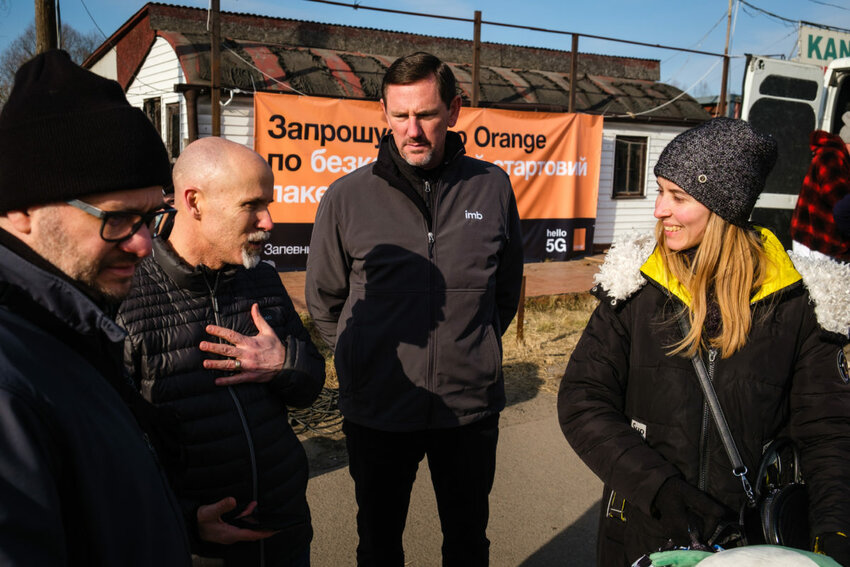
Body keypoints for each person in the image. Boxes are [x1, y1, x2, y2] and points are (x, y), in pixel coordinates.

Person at [558, 117, 850, 566]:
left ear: (724, 207)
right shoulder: (635, 287)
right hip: (642, 530)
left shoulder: (798, 303)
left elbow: (828, 433)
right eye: (658, 191)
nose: (659, 210)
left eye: (678, 196)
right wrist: (662, 491)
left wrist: (835, 531)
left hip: (749, 545)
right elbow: (582, 401)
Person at [306, 51, 524, 566]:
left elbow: (505, 289)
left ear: (453, 110)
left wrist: (475, 349)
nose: (413, 131)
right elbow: (325, 298)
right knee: (379, 544)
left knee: (468, 543)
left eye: (426, 114)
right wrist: (364, 361)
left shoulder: (491, 186)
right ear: (383, 114)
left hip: (469, 410)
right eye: (399, 115)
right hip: (378, 410)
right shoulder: (346, 196)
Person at [0, 50, 191, 565]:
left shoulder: (66, 322)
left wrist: (177, 522)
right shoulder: (9, 380)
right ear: (19, 209)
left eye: (154, 216)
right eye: (119, 218)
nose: (144, 245)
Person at [117, 137, 325, 566]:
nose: (268, 222)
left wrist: (284, 364)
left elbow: (310, 387)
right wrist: (186, 519)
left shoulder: (262, 279)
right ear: (194, 202)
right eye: (253, 205)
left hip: (285, 528)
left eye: (268, 204)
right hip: (196, 548)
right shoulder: (126, 298)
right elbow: (111, 456)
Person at [790, 129, 850, 262]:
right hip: (817, 241)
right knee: (819, 281)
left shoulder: (841, 157)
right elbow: (838, 198)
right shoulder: (831, 157)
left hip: (826, 241)